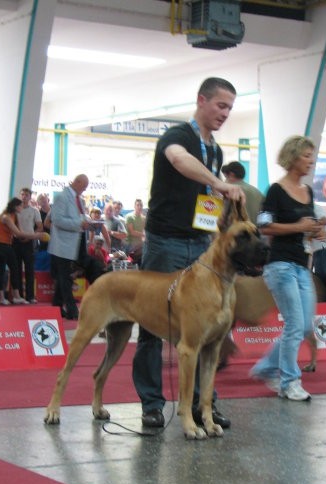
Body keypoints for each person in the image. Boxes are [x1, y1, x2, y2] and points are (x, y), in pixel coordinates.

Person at [132, 76, 246, 429]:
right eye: (220, 105)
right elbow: (180, 162)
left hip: (200, 244)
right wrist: (218, 182)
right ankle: (152, 403)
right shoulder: (177, 137)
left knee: (206, 331)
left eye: (230, 107)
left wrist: (219, 220)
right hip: (165, 243)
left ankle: (200, 404)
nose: (225, 113)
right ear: (201, 100)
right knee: (154, 327)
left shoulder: (215, 149)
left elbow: (206, 199)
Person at [249, 135, 323, 401]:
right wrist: (298, 227)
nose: (310, 161)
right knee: (294, 324)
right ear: (293, 158)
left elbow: (307, 227)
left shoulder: (308, 192)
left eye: (312, 157)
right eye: (306, 156)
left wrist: (315, 229)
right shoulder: (276, 191)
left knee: (303, 327)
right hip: (280, 265)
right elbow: (265, 227)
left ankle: (267, 366)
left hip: (303, 266)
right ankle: (289, 382)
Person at [48, 174, 102, 320]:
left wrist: (89, 224)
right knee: (65, 277)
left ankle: (56, 307)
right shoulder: (61, 197)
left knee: (65, 276)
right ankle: (72, 310)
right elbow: (57, 220)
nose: (84, 190)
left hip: (77, 243)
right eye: (84, 186)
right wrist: (79, 224)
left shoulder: (80, 200)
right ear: (77, 182)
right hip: (62, 244)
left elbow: (79, 219)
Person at [0, 197, 45, 305]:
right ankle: (1, 297)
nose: (22, 207)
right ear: (15, 206)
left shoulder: (14, 216)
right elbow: (18, 233)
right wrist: (36, 236)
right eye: (20, 206)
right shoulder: (6, 217)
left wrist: (27, 237)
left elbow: (17, 233)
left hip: (8, 245)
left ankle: (16, 296)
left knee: (15, 268)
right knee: (0, 272)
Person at [13, 187, 43, 302]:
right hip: (16, 242)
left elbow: (40, 227)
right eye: (22, 195)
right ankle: (19, 296)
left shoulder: (34, 210)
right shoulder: (15, 210)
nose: (24, 197)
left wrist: (32, 236)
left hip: (29, 242)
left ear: (30, 197)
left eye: (26, 195)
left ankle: (30, 296)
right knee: (17, 269)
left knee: (30, 269)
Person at [221, 161, 264, 225]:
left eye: (226, 177)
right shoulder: (257, 192)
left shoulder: (231, 192)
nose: (225, 181)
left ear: (231, 174)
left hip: (237, 232)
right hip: (256, 231)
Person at [125, 198, 146, 264]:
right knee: (131, 264)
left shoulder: (144, 218)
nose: (139, 207)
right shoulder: (129, 216)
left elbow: (144, 230)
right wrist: (144, 235)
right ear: (134, 206)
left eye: (141, 205)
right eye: (138, 205)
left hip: (140, 245)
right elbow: (132, 232)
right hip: (131, 245)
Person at [35, 193, 52, 272]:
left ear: (48, 200)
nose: (43, 202)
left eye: (44, 200)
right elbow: (37, 229)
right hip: (44, 244)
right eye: (41, 200)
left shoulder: (56, 211)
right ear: (38, 203)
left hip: (57, 242)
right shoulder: (37, 214)